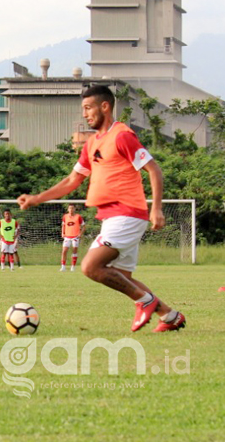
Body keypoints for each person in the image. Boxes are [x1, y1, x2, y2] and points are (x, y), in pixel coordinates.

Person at [17, 84, 185, 332]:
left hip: (126, 214)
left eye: (88, 108)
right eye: (83, 109)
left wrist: (156, 208)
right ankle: (170, 317)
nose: (84, 114)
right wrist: (36, 198)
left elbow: (154, 169)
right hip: (112, 217)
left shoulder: (122, 136)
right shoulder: (91, 144)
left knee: (91, 267)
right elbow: (72, 180)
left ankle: (145, 302)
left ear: (104, 106)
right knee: (123, 278)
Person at [60, 204, 85, 272]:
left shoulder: (78, 217)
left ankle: (73, 266)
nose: (71, 209)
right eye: (70, 208)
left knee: (74, 250)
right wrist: (62, 233)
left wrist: (80, 234)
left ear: (74, 209)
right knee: (64, 251)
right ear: (68, 209)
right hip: (67, 236)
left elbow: (84, 226)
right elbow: (63, 225)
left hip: (75, 236)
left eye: (72, 208)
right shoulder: (65, 216)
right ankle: (63, 266)